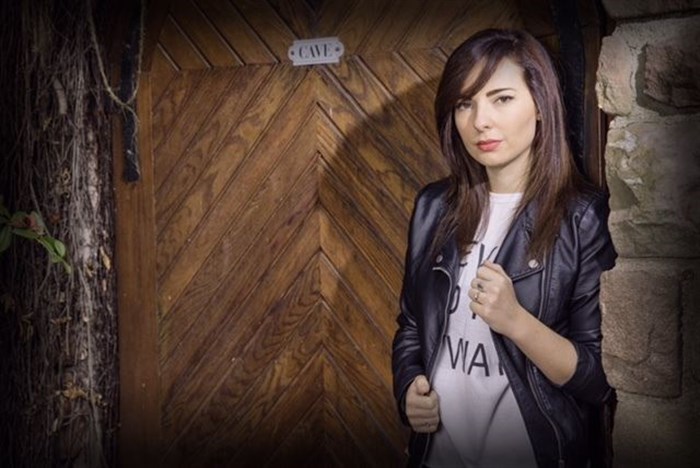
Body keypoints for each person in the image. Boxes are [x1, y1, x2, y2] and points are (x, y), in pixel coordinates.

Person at [391, 28, 617, 468]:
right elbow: (412, 325)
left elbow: (597, 380)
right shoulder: (433, 207)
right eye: (465, 103)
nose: (480, 121)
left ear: (541, 106)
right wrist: (407, 388)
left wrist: (516, 321)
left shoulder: (582, 218)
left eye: (502, 99)